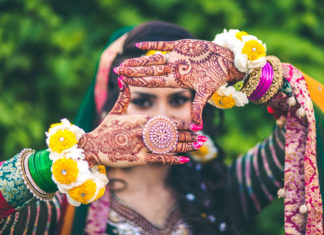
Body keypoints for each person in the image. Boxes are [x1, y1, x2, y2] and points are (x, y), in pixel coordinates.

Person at [0, 21, 323, 235]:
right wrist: (63, 163)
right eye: (142, 101)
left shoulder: (225, 190)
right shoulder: (65, 207)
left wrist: (244, 70)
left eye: (179, 99)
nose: (162, 116)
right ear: (109, 110)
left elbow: (313, 120)